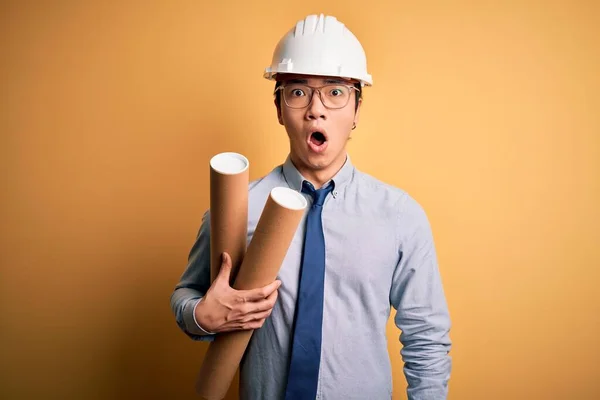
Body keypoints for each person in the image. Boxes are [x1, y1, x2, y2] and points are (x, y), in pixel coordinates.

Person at [170, 14, 452, 400]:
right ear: (279, 108)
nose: (316, 109)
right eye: (298, 91)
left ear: (356, 110)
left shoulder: (400, 216)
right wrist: (201, 315)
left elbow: (426, 337)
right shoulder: (239, 208)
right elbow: (187, 294)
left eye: (335, 92)